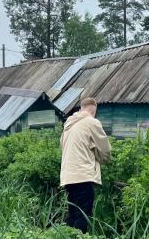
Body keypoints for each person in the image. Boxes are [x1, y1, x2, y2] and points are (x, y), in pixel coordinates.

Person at [60, 97, 111, 233]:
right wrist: (105, 160)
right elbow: (104, 148)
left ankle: (66, 235)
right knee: (83, 216)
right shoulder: (92, 122)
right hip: (83, 175)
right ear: (94, 111)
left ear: (81, 108)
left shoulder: (68, 125)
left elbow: (63, 147)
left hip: (68, 177)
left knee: (73, 214)